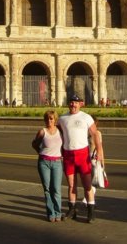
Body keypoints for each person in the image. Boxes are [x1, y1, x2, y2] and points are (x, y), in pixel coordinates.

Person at [58, 94, 103, 224]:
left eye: (76, 102)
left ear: (80, 104)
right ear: (69, 104)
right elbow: (58, 133)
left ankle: (91, 211)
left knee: (87, 185)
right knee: (71, 185)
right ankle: (72, 210)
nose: (73, 105)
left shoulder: (86, 117)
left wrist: (99, 151)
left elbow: (95, 134)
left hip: (82, 155)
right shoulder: (62, 118)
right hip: (68, 155)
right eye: (71, 102)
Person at [32, 110, 63, 222]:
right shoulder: (42, 132)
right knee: (47, 189)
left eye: (51, 118)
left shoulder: (60, 131)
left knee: (56, 189)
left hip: (57, 163)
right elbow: (34, 144)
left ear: (55, 120)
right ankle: (51, 213)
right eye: (47, 119)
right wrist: (41, 152)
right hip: (44, 162)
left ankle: (58, 212)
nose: (49, 121)